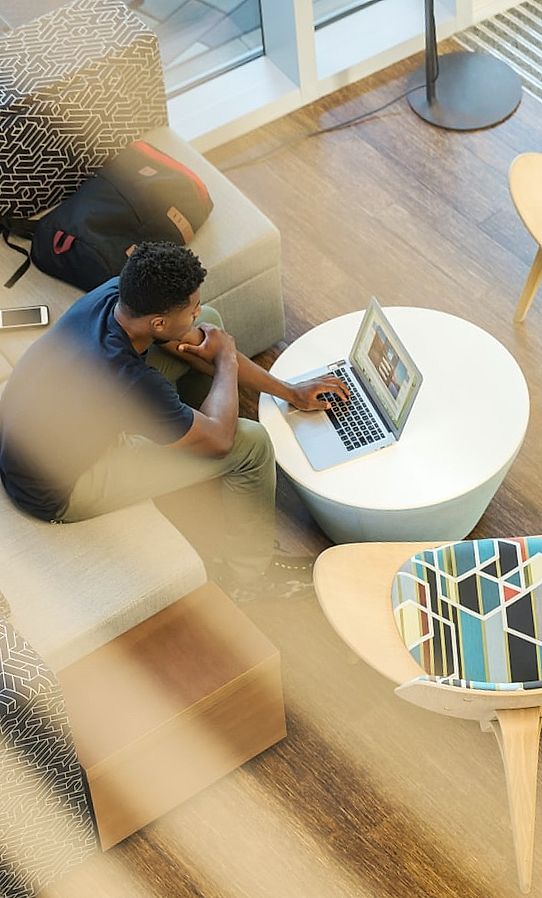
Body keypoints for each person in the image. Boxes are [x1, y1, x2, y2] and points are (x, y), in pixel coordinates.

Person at [0, 242, 349, 599]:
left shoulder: (116, 295)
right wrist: (226, 360)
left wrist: (290, 391)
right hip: (60, 489)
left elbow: (198, 334)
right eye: (190, 307)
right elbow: (221, 441)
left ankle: (190, 431)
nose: (196, 311)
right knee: (252, 444)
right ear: (158, 322)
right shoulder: (127, 378)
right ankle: (250, 577)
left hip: (33, 434)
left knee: (211, 324)